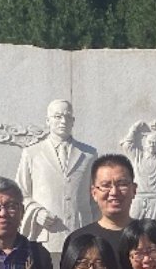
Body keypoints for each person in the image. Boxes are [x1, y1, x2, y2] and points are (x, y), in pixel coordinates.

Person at [15, 99, 96, 254]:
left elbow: (95, 197)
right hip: (45, 235)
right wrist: (36, 212)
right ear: (48, 121)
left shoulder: (89, 154)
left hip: (81, 233)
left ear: (73, 121)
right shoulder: (32, 153)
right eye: (58, 116)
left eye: (67, 117)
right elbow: (19, 193)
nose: (63, 121)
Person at [64, 154, 138, 262]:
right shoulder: (78, 239)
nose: (114, 192)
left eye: (122, 184)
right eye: (105, 185)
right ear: (94, 193)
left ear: (134, 190)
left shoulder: (150, 236)